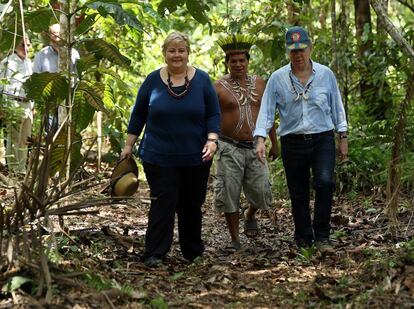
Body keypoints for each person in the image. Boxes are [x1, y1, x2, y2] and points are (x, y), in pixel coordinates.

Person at [120, 31, 220, 267]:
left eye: (181, 50)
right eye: (172, 50)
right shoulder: (153, 80)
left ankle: (193, 252)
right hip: (158, 155)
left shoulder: (203, 80)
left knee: (191, 205)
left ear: (188, 53)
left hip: (196, 156)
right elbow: (139, 114)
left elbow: (213, 113)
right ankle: (155, 252)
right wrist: (128, 145)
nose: (177, 55)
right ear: (165, 53)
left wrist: (212, 139)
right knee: (163, 203)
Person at [254, 26, 348, 254]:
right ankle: (304, 237)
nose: (298, 55)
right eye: (293, 51)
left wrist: (342, 135)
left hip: (322, 138)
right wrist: (259, 138)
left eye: (302, 50)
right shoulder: (277, 78)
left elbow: (337, 105)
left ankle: (323, 236)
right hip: (292, 141)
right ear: (288, 52)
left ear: (310, 48)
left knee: (324, 183)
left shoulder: (325, 74)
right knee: (298, 191)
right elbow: (266, 110)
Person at [214, 35, 277, 251]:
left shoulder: (260, 83)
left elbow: (268, 114)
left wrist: (274, 143)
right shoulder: (218, 87)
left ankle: (250, 214)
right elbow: (210, 117)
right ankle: (234, 239)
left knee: (261, 192)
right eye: (234, 61)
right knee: (229, 193)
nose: (238, 64)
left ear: (248, 62)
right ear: (227, 63)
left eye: (242, 60)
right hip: (228, 147)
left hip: (256, 146)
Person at [33, 23, 80, 132]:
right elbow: (35, 78)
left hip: (69, 100)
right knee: (50, 134)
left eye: (59, 34)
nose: (56, 38)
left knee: (67, 133)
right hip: (50, 102)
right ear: (49, 36)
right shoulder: (41, 55)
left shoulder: (74, 53)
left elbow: (78, 77)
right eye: (53, 35)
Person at [0, 35, 33, 174]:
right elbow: (2, 86)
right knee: (13, 139)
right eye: (22, 45)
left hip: (28, 105)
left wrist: (33, 106)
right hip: (13, 103)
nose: (26, 48)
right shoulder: (7, 62)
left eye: (28, 45)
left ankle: (22, 169)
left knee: (25, 139)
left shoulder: (29, 62)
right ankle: (13, 169)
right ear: (15, 46)